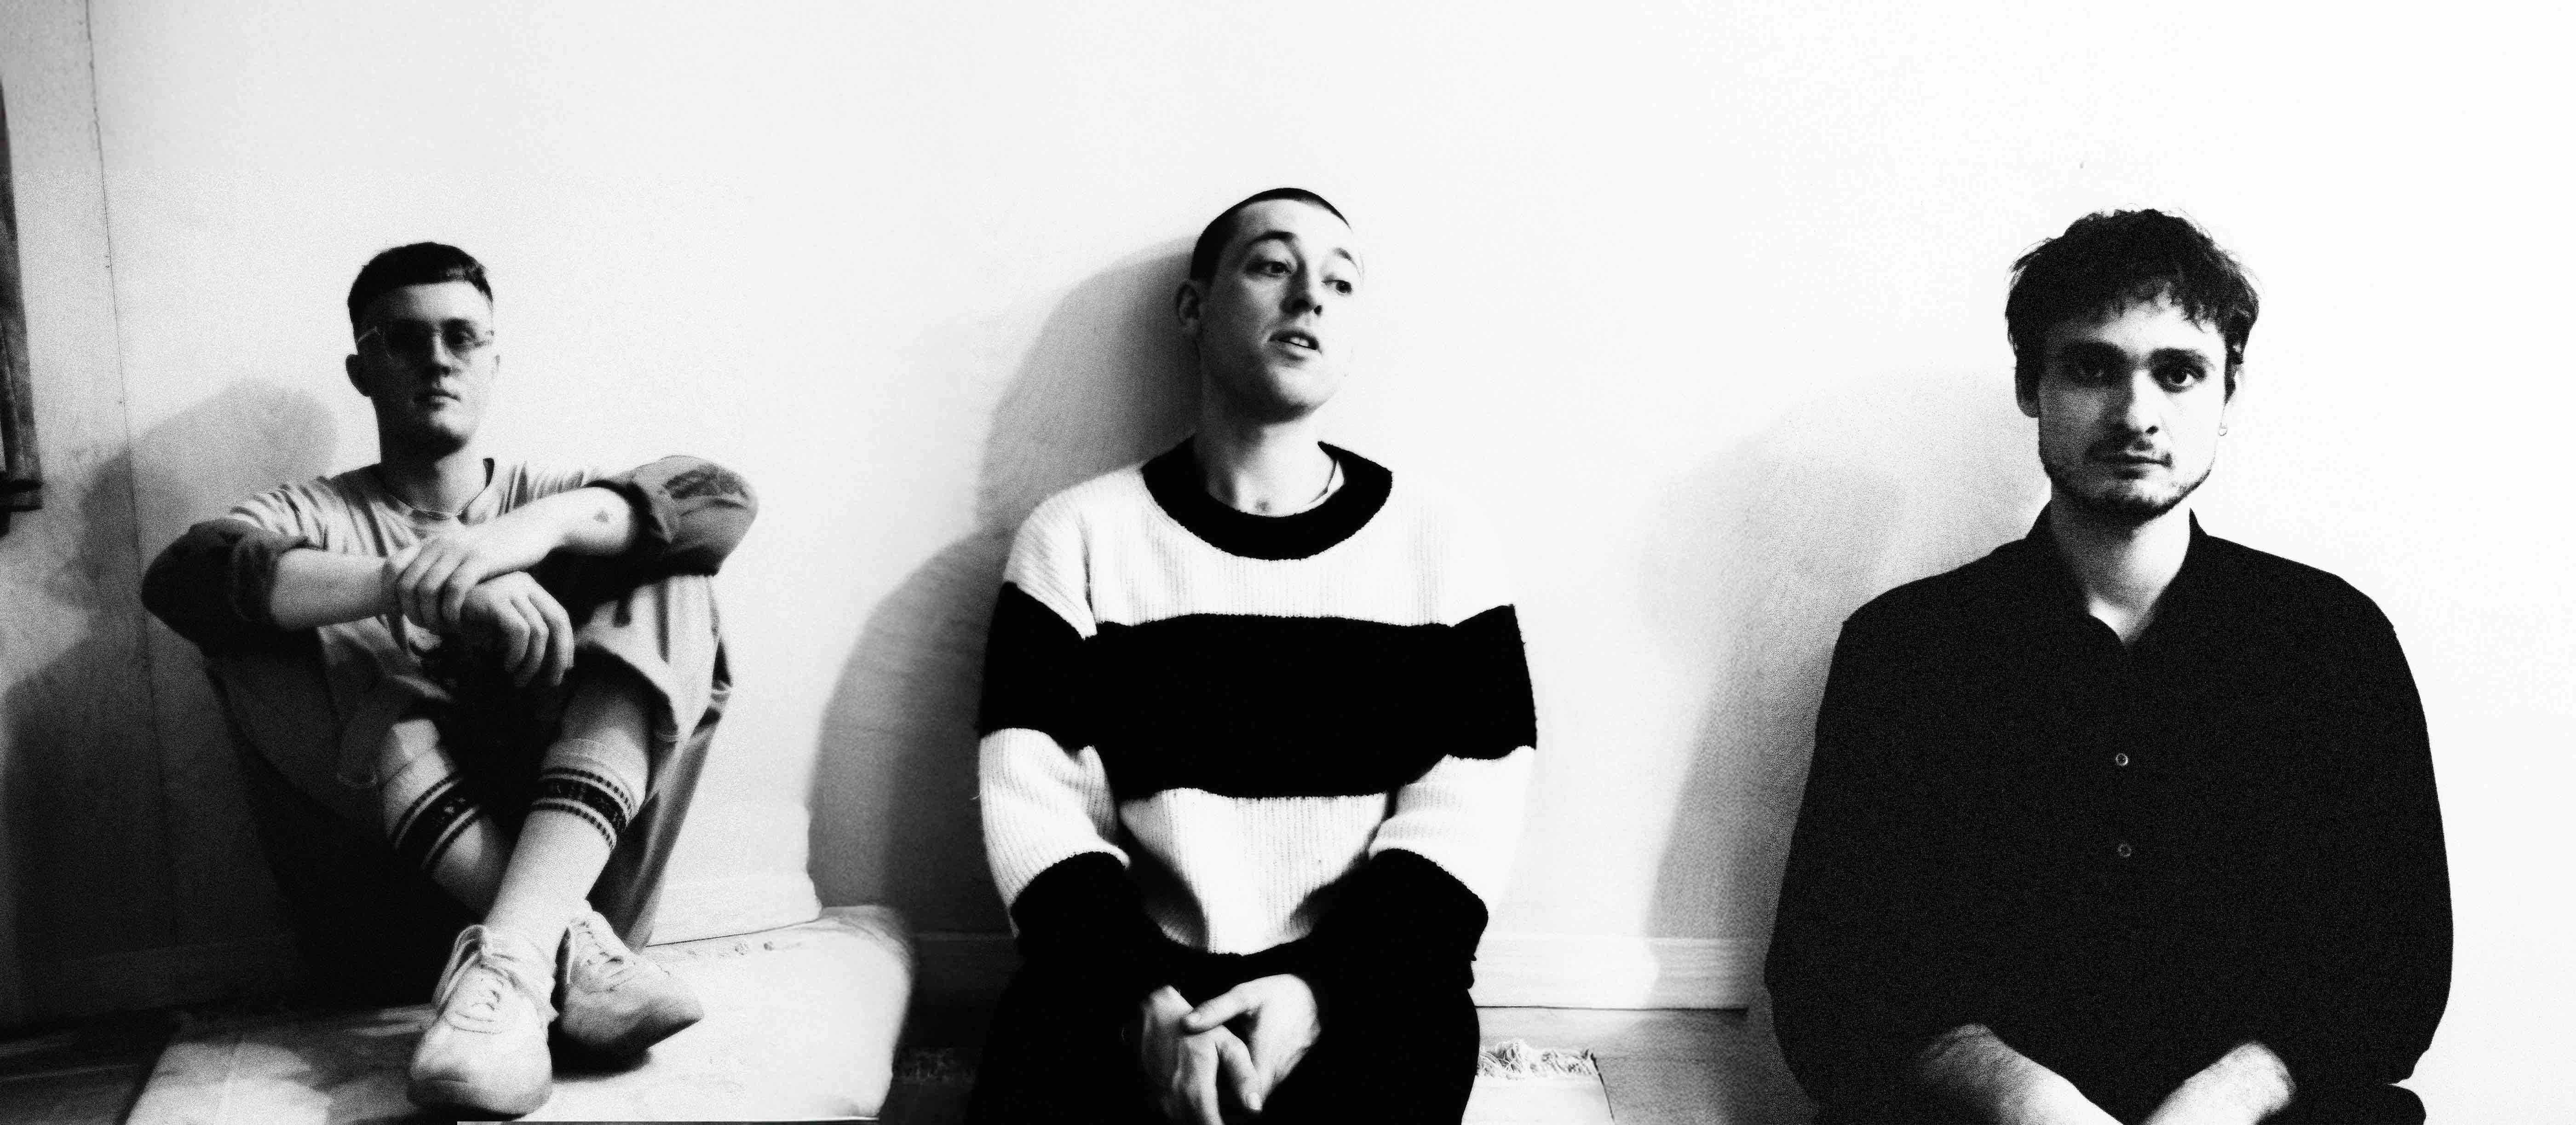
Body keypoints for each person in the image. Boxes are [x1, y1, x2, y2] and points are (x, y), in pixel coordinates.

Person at [1765, 210, 2451, 1124]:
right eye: (2093, 368)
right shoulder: (1906, 652)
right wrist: (2025, 1097)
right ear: (2031, 384)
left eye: (2179, 371)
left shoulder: (2333, 645)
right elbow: (1828, 983)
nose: (2136, 414)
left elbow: (2396, 971)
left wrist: (2225, 1097)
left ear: (2229, 391)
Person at [140, 243, 756, 1118]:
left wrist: (520, 537)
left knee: (674, 572)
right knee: (263, 622)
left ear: (495, 360)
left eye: (463, 337)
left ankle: (515, 953)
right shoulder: (314, 512)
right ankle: (550, 942)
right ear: (362, 370)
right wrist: (405, 583)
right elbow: (183, 579)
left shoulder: (553, 496)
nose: (437, 358)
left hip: (590, 885)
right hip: (393, 926)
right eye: (404, 339)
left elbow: (721, 500)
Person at [965, 189, 1537, 1124]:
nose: (1311, 296)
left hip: (1364, 980)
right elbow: (1038, 808)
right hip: (1126, 980)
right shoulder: (1076, 536)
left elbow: (1466, 813)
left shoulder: (1444, 541)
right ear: (1193, 307)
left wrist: (1317, 995)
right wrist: (1146, 1007)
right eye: (1273, 264)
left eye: (1341, 283)